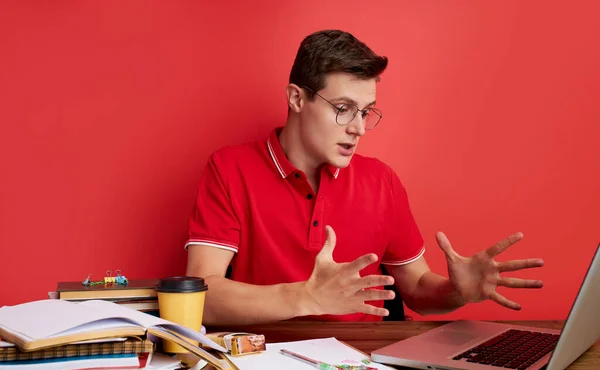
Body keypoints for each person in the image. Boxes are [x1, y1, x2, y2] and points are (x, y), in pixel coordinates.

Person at [185, 30, 543, 326]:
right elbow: (201, 296)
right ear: (297, 98)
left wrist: (457, 291)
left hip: (365, 368)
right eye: (343, 109)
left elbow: (417, 288)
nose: (359, 129)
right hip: (263, 365)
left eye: (366, 112)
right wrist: (305, 297)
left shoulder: (381, 180)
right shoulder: (230, 168)